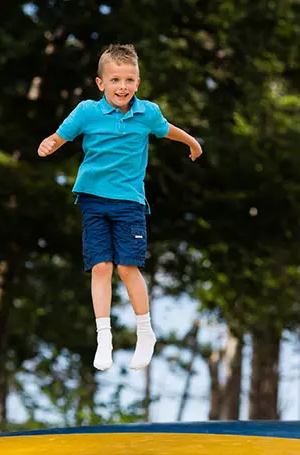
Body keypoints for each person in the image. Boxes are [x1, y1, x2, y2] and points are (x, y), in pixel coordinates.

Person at [37, 44, 202, 371]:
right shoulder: (87, 112)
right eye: (115, 80)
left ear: (138, 82)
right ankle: (104, 336)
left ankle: (145, 332)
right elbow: (62, 135)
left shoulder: (147, 114)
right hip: (93, 199)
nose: (122, 86)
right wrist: (50, 144)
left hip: (129, 202)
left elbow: (167, 130)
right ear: (101, 83)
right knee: (101, 266)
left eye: (128, 79)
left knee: (127, 267)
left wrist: (192, 143)